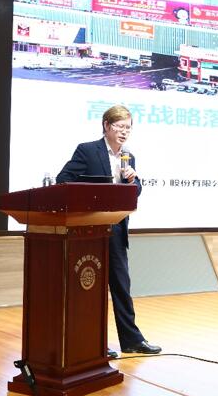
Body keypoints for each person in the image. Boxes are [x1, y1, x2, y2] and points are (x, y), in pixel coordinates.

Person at [55, 105, 162, 358]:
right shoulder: (87, 150)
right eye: (120, 126)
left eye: (128, 128)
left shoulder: (129, 157)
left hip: (116, 230)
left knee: (121, 286)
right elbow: (63, 179)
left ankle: (132, 340)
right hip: (90, 231)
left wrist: (133, 181)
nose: (124, 132)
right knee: (92, 288)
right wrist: (91, 196)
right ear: (106, 125)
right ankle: (95, 342)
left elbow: (134, 193)